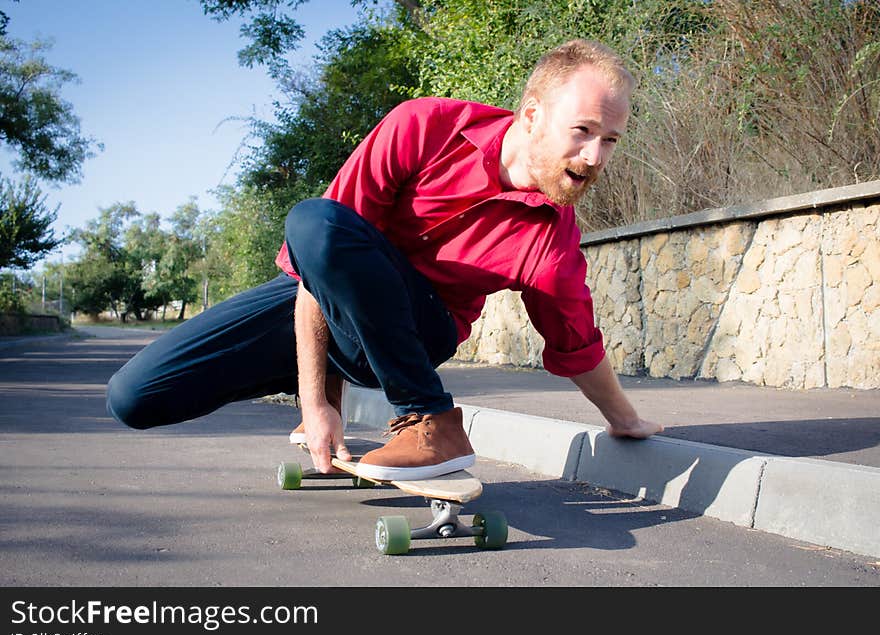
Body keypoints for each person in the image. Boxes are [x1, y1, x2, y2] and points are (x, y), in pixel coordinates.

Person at [106, 39, 663, 481]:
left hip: (418, 337)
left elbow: (577, 345)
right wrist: (315, 399)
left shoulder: (551, 240)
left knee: (317, 227)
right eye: (583, 132)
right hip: (323, 301)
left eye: (610, 140)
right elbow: (318, 259)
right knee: (134, 397)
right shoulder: (425, 127)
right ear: (532, 115)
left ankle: (431, 422)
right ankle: (338, 384)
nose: (594, 158)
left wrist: (624, 419)